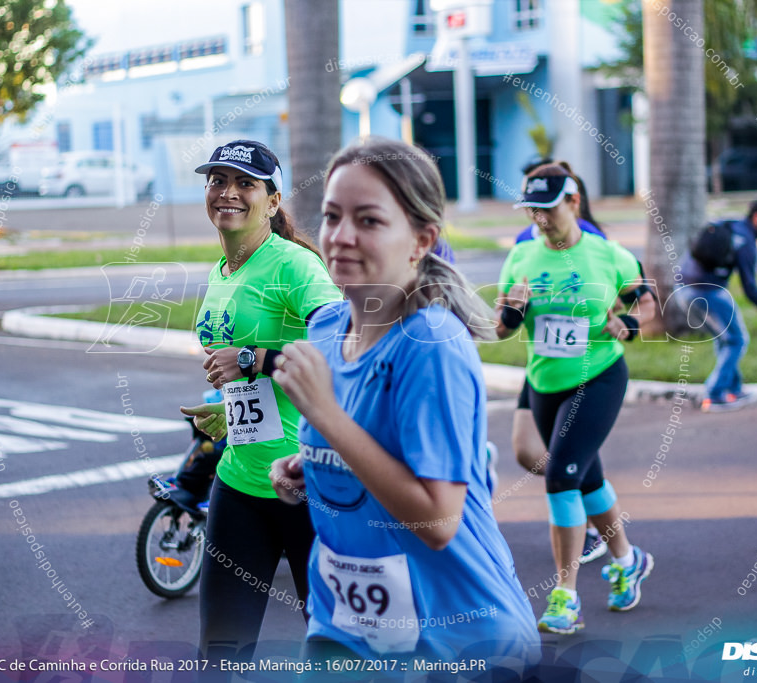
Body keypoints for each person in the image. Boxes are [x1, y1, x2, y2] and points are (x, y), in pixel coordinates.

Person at [268, 137, 540, 672]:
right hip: (346, 629)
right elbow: (364, 450)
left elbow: (438, 521)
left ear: (421, 240)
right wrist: (312, 464)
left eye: (368, 220)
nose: (340, 237)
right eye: (331, 216)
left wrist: (326, 418)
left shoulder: (431, 344)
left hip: (459, 640)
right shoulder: (325, 326)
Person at [178, 140, 342, 666]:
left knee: (333, 651)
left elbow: (343, 346)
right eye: (217, 181)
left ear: (272, 201)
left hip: (307, 485)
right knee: (219, 654)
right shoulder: (221, 272)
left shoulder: (293, 267)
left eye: (245, 183)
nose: (227, 193)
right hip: (239, 483)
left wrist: (253, 357)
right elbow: (260, 388)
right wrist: (230, 412)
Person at [496, 161, 656, 635]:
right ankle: (628, 560)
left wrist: (627, 324)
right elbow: (501, 326)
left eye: (548, 209)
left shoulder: (608, 256)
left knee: (561, 476)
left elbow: (647, 301)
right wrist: (512, 311)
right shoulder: (521, 257)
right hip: (545, 381)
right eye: (532, 210)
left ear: (573, 202)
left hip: (599, 376)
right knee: (586, 480)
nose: (539, 218)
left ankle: (565, 596)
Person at [677, 199, 757, 412]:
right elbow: (749, 287)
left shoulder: (727, 225)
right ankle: (715, 395)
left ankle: (734, 388)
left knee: (725, 338)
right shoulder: (746, 241)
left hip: (682, 290)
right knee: (737, 340)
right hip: (708, 292)